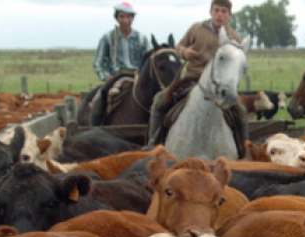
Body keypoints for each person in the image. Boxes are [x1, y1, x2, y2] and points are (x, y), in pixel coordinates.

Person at [147, 0, 244, 146]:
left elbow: (237, 64)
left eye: (223, 12)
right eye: (216, 10)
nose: (219, 15)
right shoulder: (196, 29)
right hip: (192, 78)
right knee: (160, 100)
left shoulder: (234, 38)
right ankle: (153, 143)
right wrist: (184, 52)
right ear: (211, 12)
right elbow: (179, 46)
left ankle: (243, 149)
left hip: (218, 84)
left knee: (241, 111)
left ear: (229, 15)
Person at [90, 2, 150, 125]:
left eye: (128, 17)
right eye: (122, 17)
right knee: (98, 100)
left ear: (133, 18)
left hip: (137, 77)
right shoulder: (108, 37)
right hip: (116, 76)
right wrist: (106, 76)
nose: (125, 20)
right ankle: (95, 128)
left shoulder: (141, 38)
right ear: (117, 18)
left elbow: (148, 60)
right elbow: (98, 62)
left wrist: (141, 72)